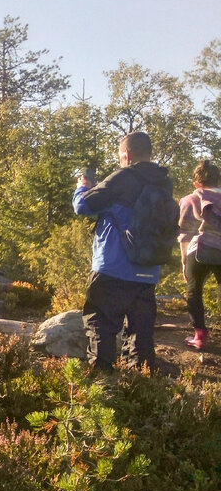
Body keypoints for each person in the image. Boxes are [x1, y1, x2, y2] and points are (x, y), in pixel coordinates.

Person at [72, 131, 173, 372]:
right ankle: (141, 386)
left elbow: (83, 206)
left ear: (126, 154)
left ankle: (102, 387)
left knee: (101, 326)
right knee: (140, 334)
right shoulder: (163, 182)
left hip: (114, 268)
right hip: (149, 270)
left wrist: (82, 188)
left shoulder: (123, 177)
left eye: (120, 155)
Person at [177, 159, 221, 349]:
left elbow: (185, 233)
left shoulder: (190, 199)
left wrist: (184, 261)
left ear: (196, 183)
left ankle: (200, 336)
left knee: (194, 291)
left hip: (198, 249)